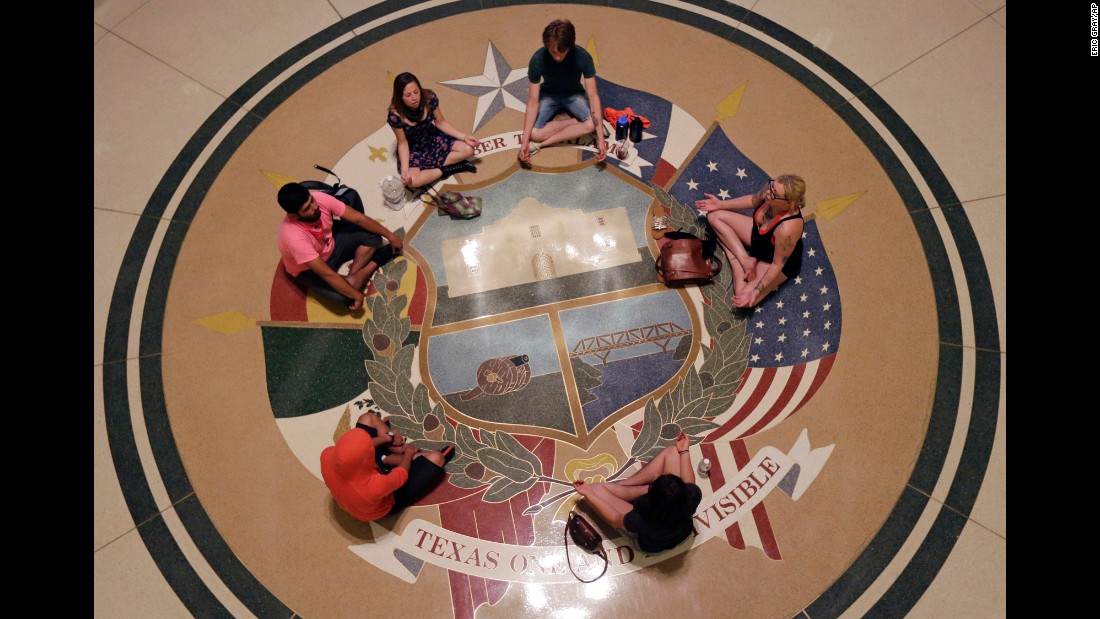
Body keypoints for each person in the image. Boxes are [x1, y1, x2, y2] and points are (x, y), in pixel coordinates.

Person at [276, 181, 402, 311]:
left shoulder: (320, 199)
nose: (314, 207)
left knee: (373, 236)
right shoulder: (293, 237)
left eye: (311, 200)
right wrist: (357, 295)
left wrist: (391, 236)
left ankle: (352, 277)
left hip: (331, 243)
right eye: (307, 208)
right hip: (309, 269)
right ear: (295, 217)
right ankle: (376, 261)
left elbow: (360, 219)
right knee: (345, 297)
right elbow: (327, 275)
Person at [572, 431, 702, 553]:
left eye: (655, 481)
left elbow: (614, 519)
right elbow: (689, 481)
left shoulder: (638, 519)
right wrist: (684, 450)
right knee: (673, 451)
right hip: (679, 531)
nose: (657, 475)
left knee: (595, 490)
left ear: (649, 499)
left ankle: (622, 488)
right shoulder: (691, 496)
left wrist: (589, 493)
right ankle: (624, 486)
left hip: (649, 545)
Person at [320, 411, 456, 523]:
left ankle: (387, 455)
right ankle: (390, 456)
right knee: (437, 458)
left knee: (367, 418)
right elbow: (400, 474)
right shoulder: (372, 487)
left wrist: (387, 438)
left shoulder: (327, 455)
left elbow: (363, 447)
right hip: (387, 501)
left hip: (362, 474)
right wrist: (408, 452)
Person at [694, 175, 806, 308]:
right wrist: (720, 204)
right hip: (758, 238)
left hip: (773, 259)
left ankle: (734, 259)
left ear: (789, 203)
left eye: (774, 194)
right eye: (771, 186)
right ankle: (744, 259)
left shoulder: (788, 228)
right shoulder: (771, 191)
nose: (768, 193)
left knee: (743, 298)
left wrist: (755, 292)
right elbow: (753, 201)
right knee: (714, 215)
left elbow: (777, 264)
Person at [518, 19, 608, 164]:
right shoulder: (537, 60)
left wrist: (601, 140)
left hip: (574, 95)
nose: (558, 56)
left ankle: (542, 145)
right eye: (554, 51)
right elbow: (533, 102)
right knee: (534, 134)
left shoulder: (583, 56)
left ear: (570, 46)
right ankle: (575, 121)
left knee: (592, 124)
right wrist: (524, 141)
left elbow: (593, 96)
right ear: (546, 45)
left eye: (563, 51)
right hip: (548, 95)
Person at [388, 72, 480, 188]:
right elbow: (402, 142)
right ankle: (447, 170)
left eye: (416, 92)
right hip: (414, 149)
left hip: (433, 137)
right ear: (400, 97)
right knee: (412, 182)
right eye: (408, 95)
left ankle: (433, 170)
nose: (414, 98)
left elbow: (440, 122)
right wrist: (405, 170)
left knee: (469, 149)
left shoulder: (429, 98)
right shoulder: (394, 114)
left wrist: (464, 137)